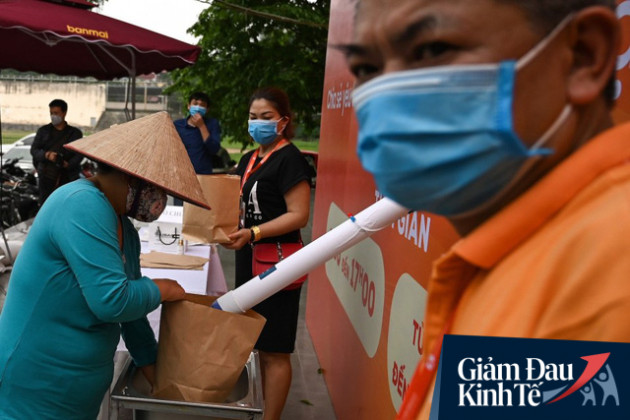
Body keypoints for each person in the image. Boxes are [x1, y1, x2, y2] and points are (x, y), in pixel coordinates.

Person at [346, 0, 627, 419]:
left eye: (430, 50)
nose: (387, 95)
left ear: (583, 57)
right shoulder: (526, 250)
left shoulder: (606, 283)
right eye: (366, 69)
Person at [0, 112, 209, 419]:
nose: (159, 198)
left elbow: (133, 315)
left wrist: (155, 374)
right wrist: (162, 288)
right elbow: (112, 301)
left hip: (76, 391)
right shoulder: (81, 203)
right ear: (129, 175)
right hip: (36, 384)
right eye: (155, 186)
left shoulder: (123, 225)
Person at [222, 87, 312, 420]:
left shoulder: (290, 159)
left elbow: (298, 214)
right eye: (252, 117)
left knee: (275, 348)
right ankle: (259, 406)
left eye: (266, 117)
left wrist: (254, 232)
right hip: (250, 257)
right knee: (257, 340)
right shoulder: (250, 157)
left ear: (283, 121)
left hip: (277, 262)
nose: (257, 123)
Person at [30, 98, 83, 205]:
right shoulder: (43, 131)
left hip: (68, 177)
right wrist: (47, 155)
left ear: (64, 113)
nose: (53, 116)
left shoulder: (75, 133)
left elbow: (79, 154)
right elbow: (34, 150)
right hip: (46, 176)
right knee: (46, 204)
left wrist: (68, 164)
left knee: (66, 204)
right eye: (51, 113)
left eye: (56, 113)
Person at [174, 91, 222, 175]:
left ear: (207, 109)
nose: (198, 107)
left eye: (202, 105)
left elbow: (214, 149)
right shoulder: (177, 125)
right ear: (188, 106)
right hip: (181, 174)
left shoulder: (212, 124)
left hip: (203, 175)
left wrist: (201, 126)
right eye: (195, 104)